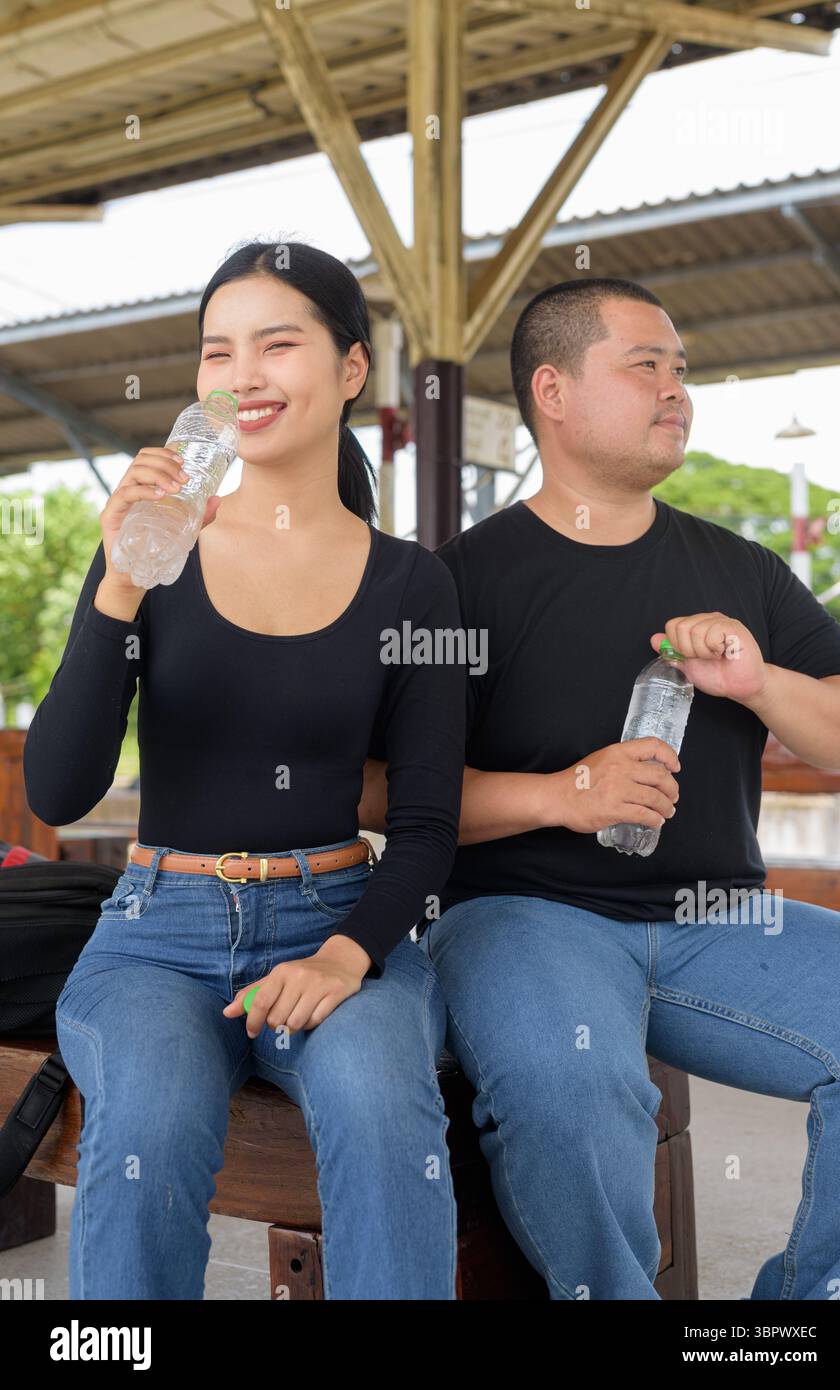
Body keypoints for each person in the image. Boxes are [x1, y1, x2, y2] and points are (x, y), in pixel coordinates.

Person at [360, 277, 840, 1301]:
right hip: (522, 914)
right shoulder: (453, 582)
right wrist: (562, 794)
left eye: (682, 371)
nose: (676, 390)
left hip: (715, 915)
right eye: (647, 365)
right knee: (574, 1084)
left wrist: (762, 681)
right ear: (553, 389)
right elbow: (375, 790)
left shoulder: (742, 569)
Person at [24, 239, 466, 1300]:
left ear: (353, 369)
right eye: (218, 351)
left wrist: (350, 953)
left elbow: (425, 825)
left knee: (378, 1100)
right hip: (157, 935)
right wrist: (120, 582)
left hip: (338, 912)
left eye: (279, 343)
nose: (243, 375)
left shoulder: (416, 585)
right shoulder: (149, 553)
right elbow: (58, 791)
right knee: (152, 1113)